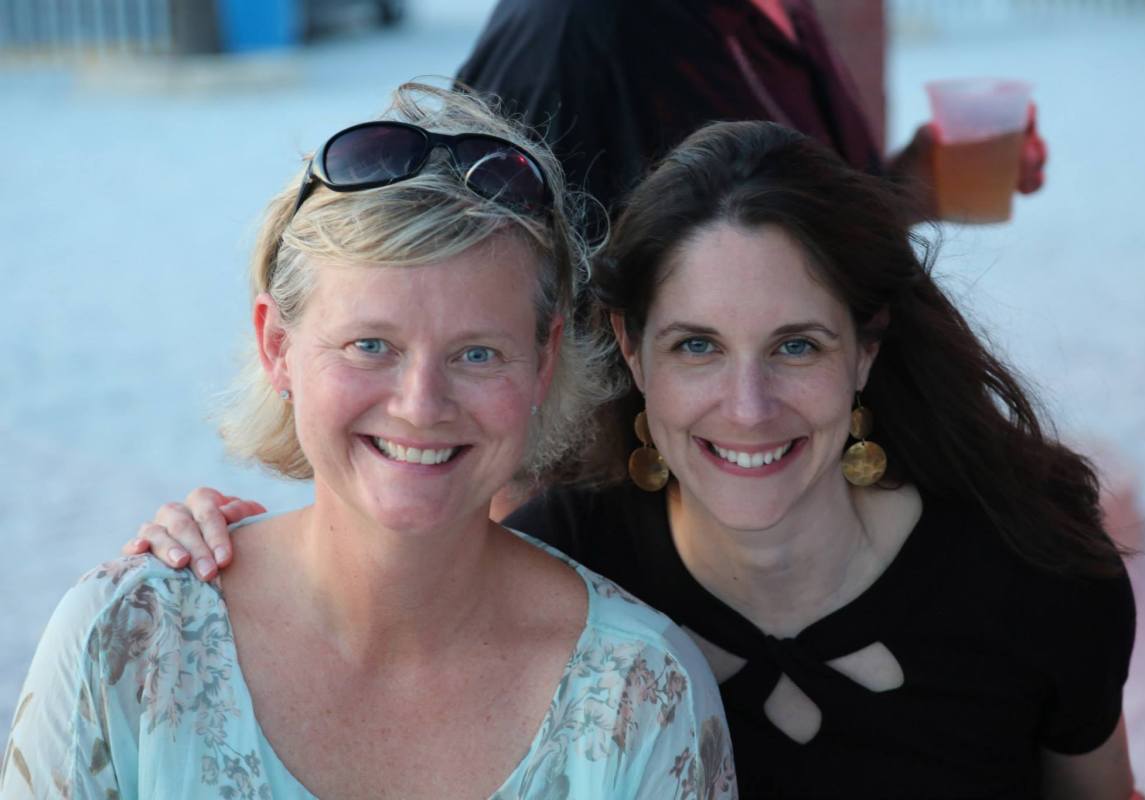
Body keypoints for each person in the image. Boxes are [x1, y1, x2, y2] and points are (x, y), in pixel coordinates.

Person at [121, 120, 1138, 798]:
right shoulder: (564, 564)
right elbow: (378, 566)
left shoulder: (1036, 574)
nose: (748, 407)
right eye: (697, 346)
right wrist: (205, 549)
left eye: (796, 346)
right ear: (632, 351)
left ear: (866, 349)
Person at [0, 84, 737, 800]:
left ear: (544, 361)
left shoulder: (641, 696)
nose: (421, 406)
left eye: (476, 353)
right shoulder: (127, 645)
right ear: (277, 346)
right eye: (370, 345)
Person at [454, 0, 1047, 221]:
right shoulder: (574, 27)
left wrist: (906, 192)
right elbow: (480, 293)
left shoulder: (784, 11)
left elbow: (797, 237)